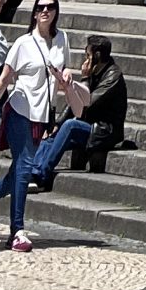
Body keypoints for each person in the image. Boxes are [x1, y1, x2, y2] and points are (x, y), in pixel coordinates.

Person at [0, 0, 81, 250]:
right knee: (25, 166)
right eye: (40, 7)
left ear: (56, 11)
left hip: (43, 114)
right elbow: (5, 78)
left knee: (16, 173)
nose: (45, 11)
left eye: (50, 7)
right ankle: (17, 231)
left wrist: (67, 74)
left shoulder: (62, 39)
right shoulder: (23, 43)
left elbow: (65, 68)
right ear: (34, 13)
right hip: (20, 110)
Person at [30, 33, 126, 186]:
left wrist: (85, 79)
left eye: (88, 55)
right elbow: (74, 102)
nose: (85, 60)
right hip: (89, 126)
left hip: (104, 131)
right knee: (54, 130)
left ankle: (42, 174)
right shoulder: (96, 70)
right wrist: (58, 123)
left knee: (71, 125)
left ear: (97, 55)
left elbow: (87, 103)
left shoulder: (113, 76)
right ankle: (33, 173)